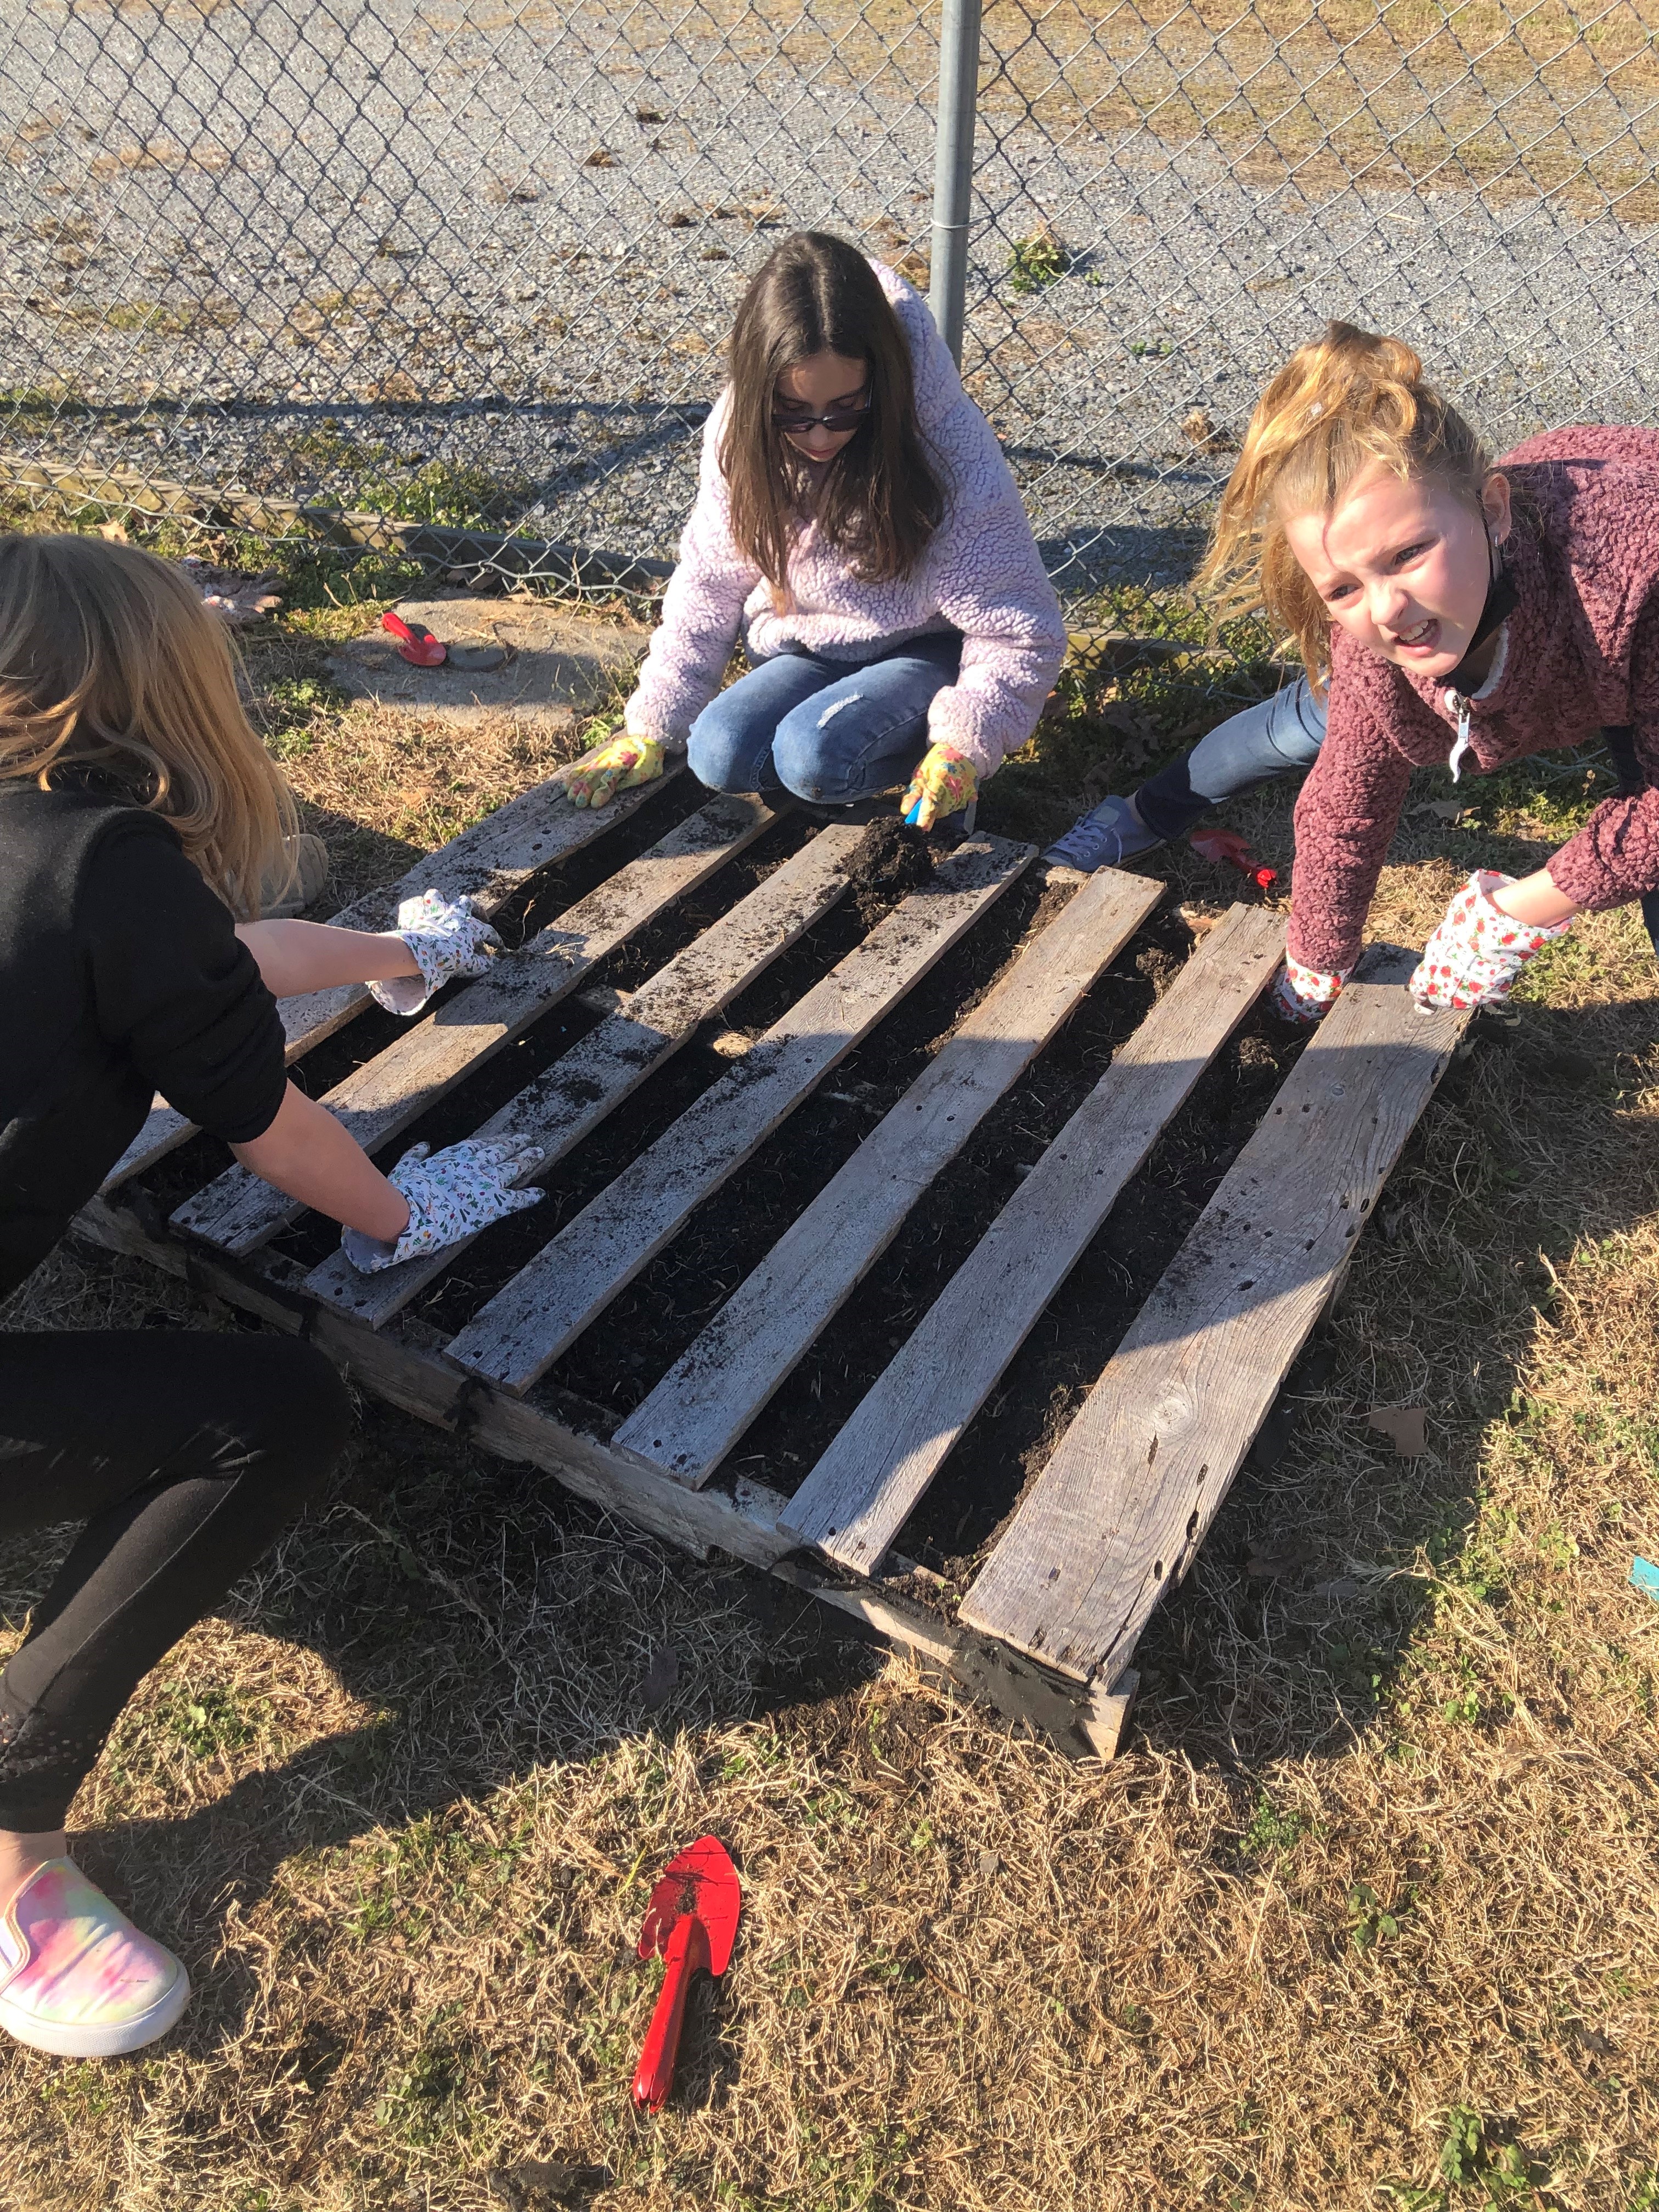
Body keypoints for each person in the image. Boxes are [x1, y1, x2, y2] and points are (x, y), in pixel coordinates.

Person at [0, 534, 544, 2058]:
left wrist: (393, 950)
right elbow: (265, 1119)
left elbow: (215, 966)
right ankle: (10, 1823)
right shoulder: (110, 869)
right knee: (276, 1416)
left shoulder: (59, 872)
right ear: (161, 695)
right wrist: (395, 1211)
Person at [1065, 323, 1659, 1020]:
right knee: (1313, 726)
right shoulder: (1373, 641)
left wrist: (1519, 908)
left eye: (1408, 554)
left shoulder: (1634, 576)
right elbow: (1346, 809)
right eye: (1343, 588)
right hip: (1482, 650)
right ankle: (1147, 812)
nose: (1388, 609)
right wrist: (1315, 969)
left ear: (1492, 510)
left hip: (1618, 633)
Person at [561, 229, 1067, 832]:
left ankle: (911, 784)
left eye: (845, 409)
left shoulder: (944, 446)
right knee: (717, 750)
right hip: (814, 646)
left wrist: (966, 736)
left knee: (814, 755)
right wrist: (651, 726)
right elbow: (709, 582)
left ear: (881, 382)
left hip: (926, 651)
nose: (822, 437)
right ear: (759, 391)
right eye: (794, 413)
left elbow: (1017, 631)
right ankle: (842, 771)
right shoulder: (738, 436)